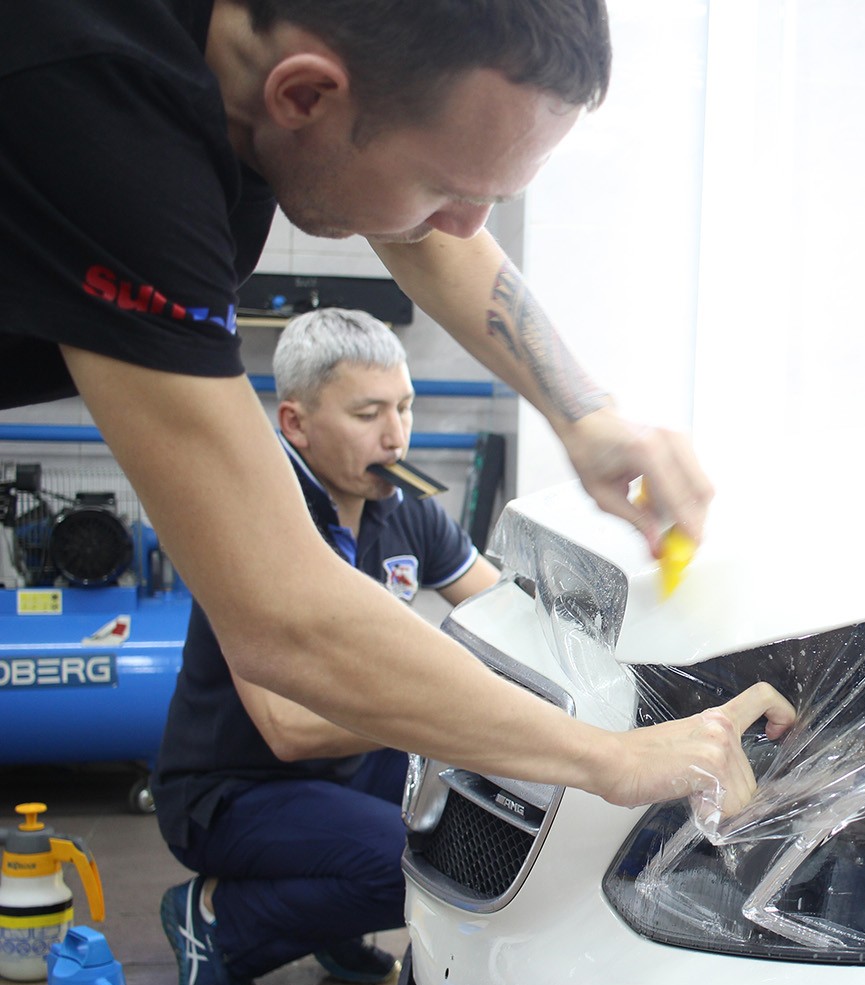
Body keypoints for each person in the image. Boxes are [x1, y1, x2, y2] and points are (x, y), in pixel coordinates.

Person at [3, 7, 789, 843]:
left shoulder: (296, 59)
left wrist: (585, 413)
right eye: (449, 189)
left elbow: (421, 231)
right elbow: (285, 616)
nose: (467, 225)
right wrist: (609, 757)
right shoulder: (107, 121)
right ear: (304, 96)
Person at [150, 308, 498, 985]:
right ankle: (213, 922)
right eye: (368, 414)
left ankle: (329, 918)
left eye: (404, 406)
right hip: (231, 787)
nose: (396, 435)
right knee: (407, 861)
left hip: (338, 767)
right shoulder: (247, 521)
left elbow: (502, 608)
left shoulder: (403, 503)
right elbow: (287, 728)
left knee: (466, 819)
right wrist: (440, 710)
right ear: (296, 423)